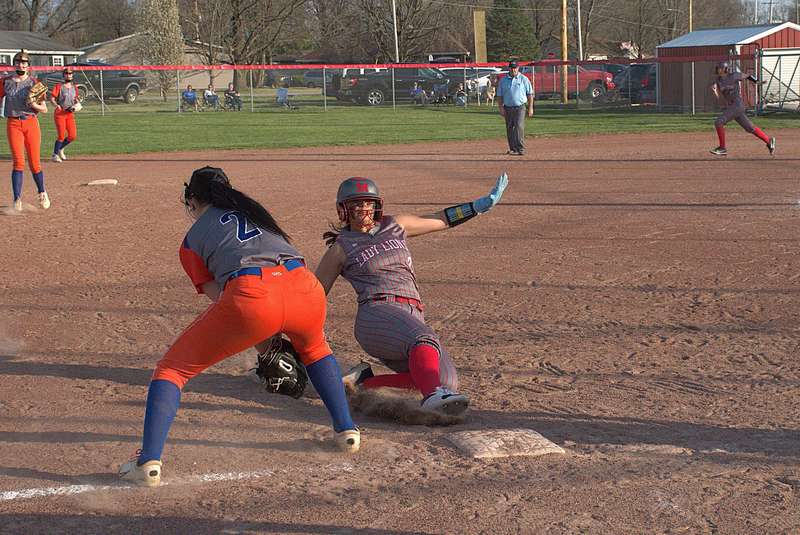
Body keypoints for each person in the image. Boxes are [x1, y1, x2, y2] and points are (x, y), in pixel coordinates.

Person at [118, 166, 359, 487]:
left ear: (191, 200)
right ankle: (347, 432)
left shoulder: (191, 241)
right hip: (306, 288)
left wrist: (266, 343)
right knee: (315, 349)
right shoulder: (257, 214)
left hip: (253, 294)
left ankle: (147, 462)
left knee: (171, 370)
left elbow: (227, 302)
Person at [315, 173, 509, 416]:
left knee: (446, 381)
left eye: (368, 203)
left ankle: (360, 385)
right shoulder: (341, 247)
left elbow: (441, 219)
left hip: (412, 315)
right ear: (343, 210)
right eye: (356, 203)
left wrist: (477, 207)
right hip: (376, 315)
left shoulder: (395, 225)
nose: (364, 208)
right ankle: (432, 396)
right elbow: (314, 294)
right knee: (424, 340)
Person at [0, 49, 49, 211]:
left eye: (24, 62)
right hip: (13, 123)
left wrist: (33, 104)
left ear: (28, 65)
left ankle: (42, 192)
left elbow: (44, 109)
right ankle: (17, 199)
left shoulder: (34, 83)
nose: (21, 65)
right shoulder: (5, 82)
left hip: (30, 123)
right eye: (18, 62)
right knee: (18, 162)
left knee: (34, 163)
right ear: (14, 64)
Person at [710, 61, 775, 157]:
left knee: (719, 122)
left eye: (719, 68)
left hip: (737, 105)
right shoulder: (718, 81)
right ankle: (768, 141)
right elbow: (719, 98)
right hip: (732, 107)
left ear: (725, 69)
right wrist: (715, 92)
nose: (717, 69)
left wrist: (757, 82)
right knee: (750, 128)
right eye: (717, 68)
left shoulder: (734, 76)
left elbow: (747, 76)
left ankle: (722, 148)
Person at [496, 60, 534, 156]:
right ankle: (513, 148)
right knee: (510, 128)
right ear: (509, 68)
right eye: (512, 68)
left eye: (515, 68)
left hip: (520, 107)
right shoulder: (503, 80)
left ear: (518, 68)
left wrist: (530, 108)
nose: (513, 70)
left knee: (519, 126)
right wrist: (501, 108)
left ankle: (520, 148)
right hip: (508, 107)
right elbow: (499, 95)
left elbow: (530, 94)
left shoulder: (524, 79)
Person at [49, 67, 80, 163]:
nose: (68, 75)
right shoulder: (59, 86)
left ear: (72, 75)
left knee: (72, 136)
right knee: (61, 135)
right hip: (60, 113)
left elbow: (75, 99)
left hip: (69, 114)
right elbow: (52, 98)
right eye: (66, 73)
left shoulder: (74, 88)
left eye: (70, 73)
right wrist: (56, 105)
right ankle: (54, 155)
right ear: (63, 75)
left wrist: (77, 103)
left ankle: (60, 148)